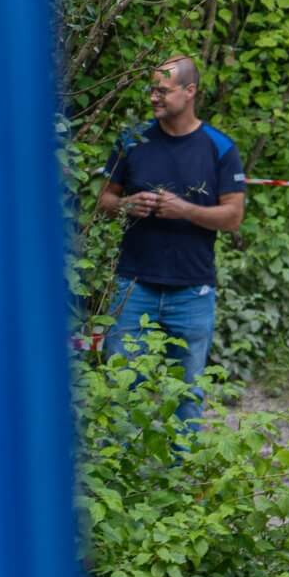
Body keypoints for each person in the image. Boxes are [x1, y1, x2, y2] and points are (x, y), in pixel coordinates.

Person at [95, 55, 246, 423]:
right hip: (132, 287)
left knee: (188, 398)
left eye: (162, 90)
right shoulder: (132, 141)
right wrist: (127, 204)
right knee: (121, 393)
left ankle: (182, 477)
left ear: (189, 92)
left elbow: (233, 216)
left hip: (192, 291)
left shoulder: (219, 148)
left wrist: (186, 211)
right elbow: (104, 201)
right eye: (151, 89)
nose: (153, 98)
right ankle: (127, 478)